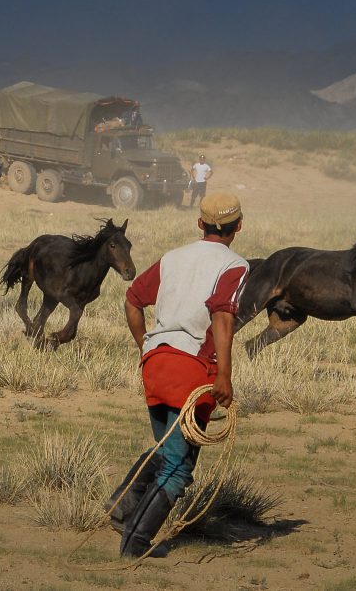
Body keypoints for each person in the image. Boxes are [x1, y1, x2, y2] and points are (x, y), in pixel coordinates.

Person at [115, 191, 248, 557]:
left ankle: (123, 507)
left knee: (168, 451)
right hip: (193, 371)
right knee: (178, 466)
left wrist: (146, 346)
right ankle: (135, 543)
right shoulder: (234, 265)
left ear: (200, 224)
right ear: (238, 226)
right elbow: (223, 317)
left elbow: (132, 300)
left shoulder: (172, 258)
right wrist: (225, 375)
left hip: (155, 364)